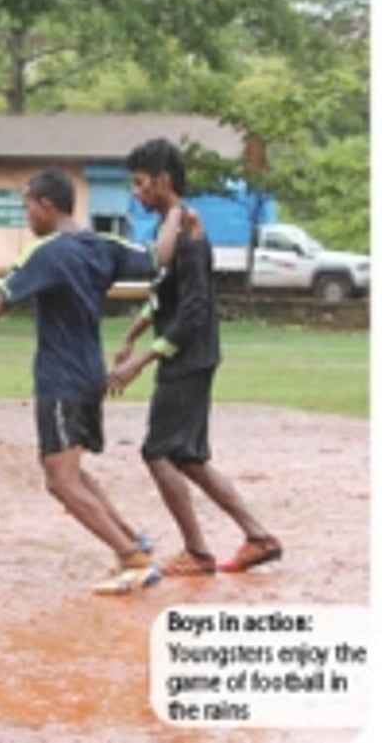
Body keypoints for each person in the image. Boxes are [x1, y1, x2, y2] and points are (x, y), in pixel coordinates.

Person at [0, 167, 180, 595]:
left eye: (28, 206)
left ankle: (132, 559)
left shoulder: (46, 252)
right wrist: (174, 212)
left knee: (60, 481)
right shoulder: (103, 244)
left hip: (60, 378)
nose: (26, 215)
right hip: (90, 374)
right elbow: (159, 257)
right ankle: (131, 540)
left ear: (46, 205)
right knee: (72, 472)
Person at [108, 138, 282, 576]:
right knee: (187, 457)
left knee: (158, 452)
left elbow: (193, 311)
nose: (136, 192)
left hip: (189, 358)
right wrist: (131, 336)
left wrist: (141, 360)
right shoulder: (171, 227)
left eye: (140, 183)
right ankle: (258, 537)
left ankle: (197, 551)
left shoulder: (189, 232)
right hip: (187, 356)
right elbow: (163, 297)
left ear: (163, 181)